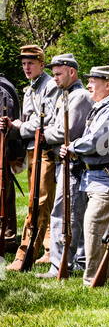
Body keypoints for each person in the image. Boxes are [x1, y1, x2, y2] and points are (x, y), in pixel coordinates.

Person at [60, 65, 109, 286]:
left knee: (93, 226)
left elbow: (96, 141)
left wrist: (71, 146)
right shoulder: (100, 107)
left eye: (93, 81)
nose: (88, 84)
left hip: (106, 178)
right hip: (96, 178)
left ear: (107, 84)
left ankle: (91, 280)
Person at [36, 53, 93, 279]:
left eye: (58, 74)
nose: (55, 78)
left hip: (72, 165)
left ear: (72, 72)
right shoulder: (67, 95)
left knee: (62, 215)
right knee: (74, 215)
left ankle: (58, 265)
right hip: (67, 164)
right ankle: (77, 261)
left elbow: (66, 132)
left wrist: (42, 134)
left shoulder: (78, 96)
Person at [3, 45, 59, 270]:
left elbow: (43, 121)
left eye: (31, 63)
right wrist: (15, 125)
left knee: (39, 201)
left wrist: (18, 127)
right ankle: (48, 249)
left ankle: (24, 254)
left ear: (41, 64)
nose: (26, 67)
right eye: (24, 63)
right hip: (32, 147)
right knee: (39, 200)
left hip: (45, 148)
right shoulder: (30, 89)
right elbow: (28, 119)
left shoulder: (50, 86)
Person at [0, 73, 23, 253]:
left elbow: (8, 128)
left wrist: (10, 155)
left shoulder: (3, 90)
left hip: (2, 154)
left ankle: (7, 240)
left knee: (4, 198)